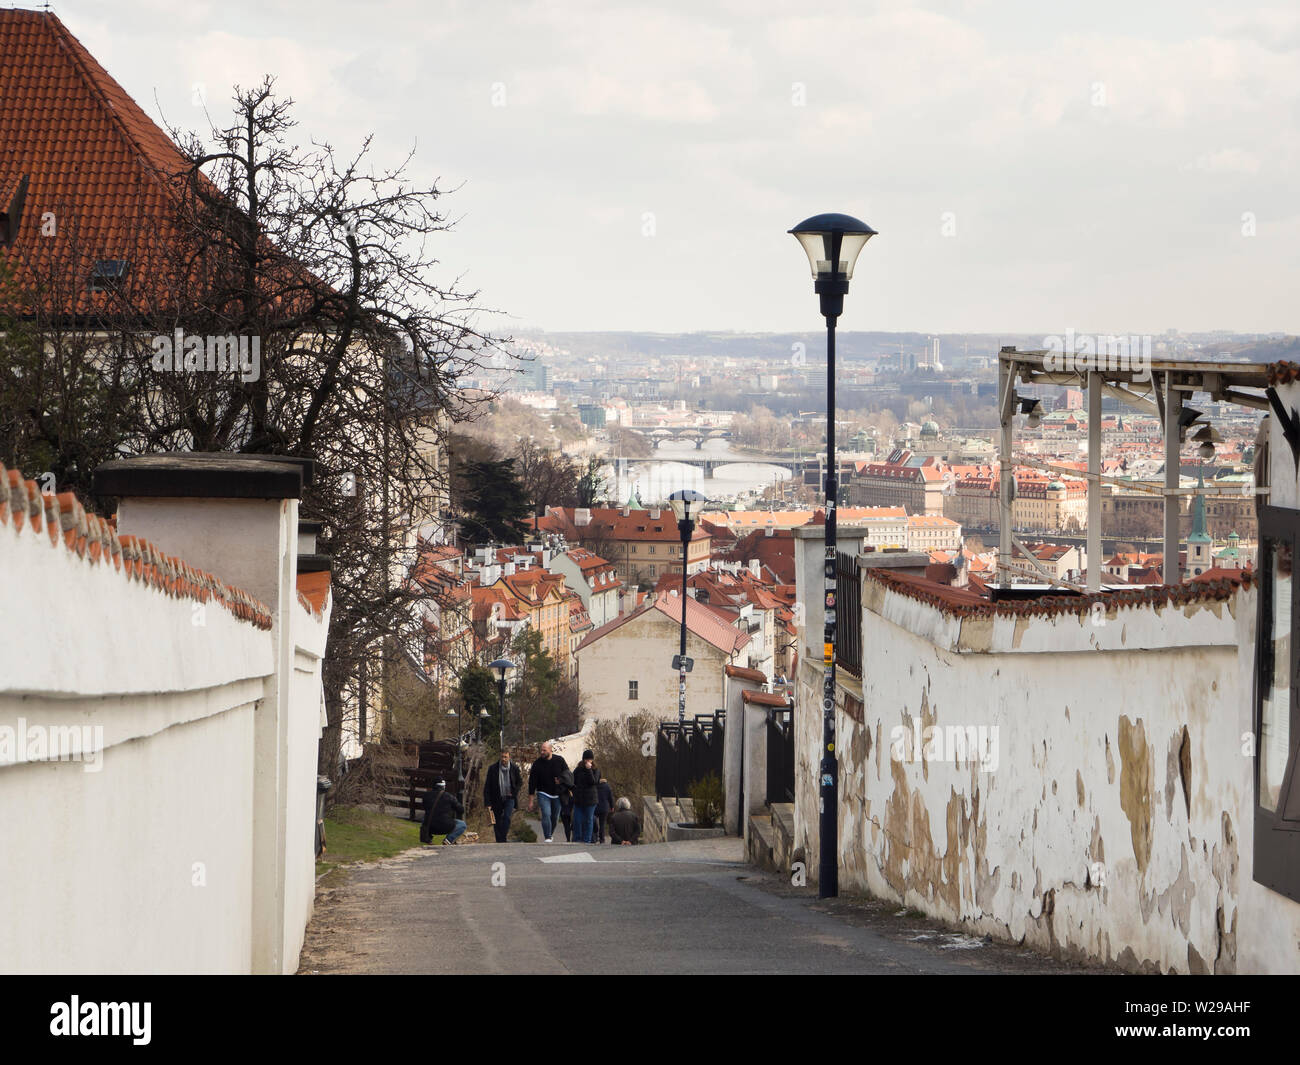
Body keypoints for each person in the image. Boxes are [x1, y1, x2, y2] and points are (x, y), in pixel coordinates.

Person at [527, 740, 571, 843]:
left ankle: (550, 833)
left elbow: (568, 774)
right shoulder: (537, 764)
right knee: (546, 814)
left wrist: (561, 780)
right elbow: (532, 783)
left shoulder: (559, 760)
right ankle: (547, 837)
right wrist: (531, 801)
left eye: (544, 750)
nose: (542, 752)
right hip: (543, 793)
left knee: (555, 818)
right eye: (541, 750)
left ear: (550, 750)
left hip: (557, 794)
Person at [483, 749, 522, 843]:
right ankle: (499, 840)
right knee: (497, 819)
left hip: (510, 797)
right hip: (497, 797)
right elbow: (487, 785)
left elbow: (519, 782)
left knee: (507, 817)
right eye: (502, 757)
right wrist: (487, 802)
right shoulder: (493, 768)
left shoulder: (514, 768)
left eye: (505, 757)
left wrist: (514, 792)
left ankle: (503, 838)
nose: (503, 759)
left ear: (509, 757)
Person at [421, 779, 466, 846]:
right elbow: (461, 810)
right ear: (444, 787)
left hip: (430, 827)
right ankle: (448, 840)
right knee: (462, 825)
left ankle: (428, 839)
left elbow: (426, 808)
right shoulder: (449, 796)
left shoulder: (426, 796)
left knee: (425, 819)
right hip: (445, 827)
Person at [571, 749, 600, 844]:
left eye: (590, 759)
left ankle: (587, 839)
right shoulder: (578, 769)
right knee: (577, 820)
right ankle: (577, 839)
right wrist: (574, 791)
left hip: (591, 800)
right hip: (579, 799)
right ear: (583, 759)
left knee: (588, 820)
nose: (588, 761)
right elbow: (572, 781)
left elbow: (593, 782)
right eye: (586, 759)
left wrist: (589, 770)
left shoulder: (596, 770)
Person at [594, 774, 614, 844]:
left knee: (594, 822)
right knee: (602, 824)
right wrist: (612, 807)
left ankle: (595, 837)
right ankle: (602, 839)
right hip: (604, 808)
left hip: (595, 807)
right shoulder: (607, 787)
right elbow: (610, 798)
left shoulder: (595, 786)